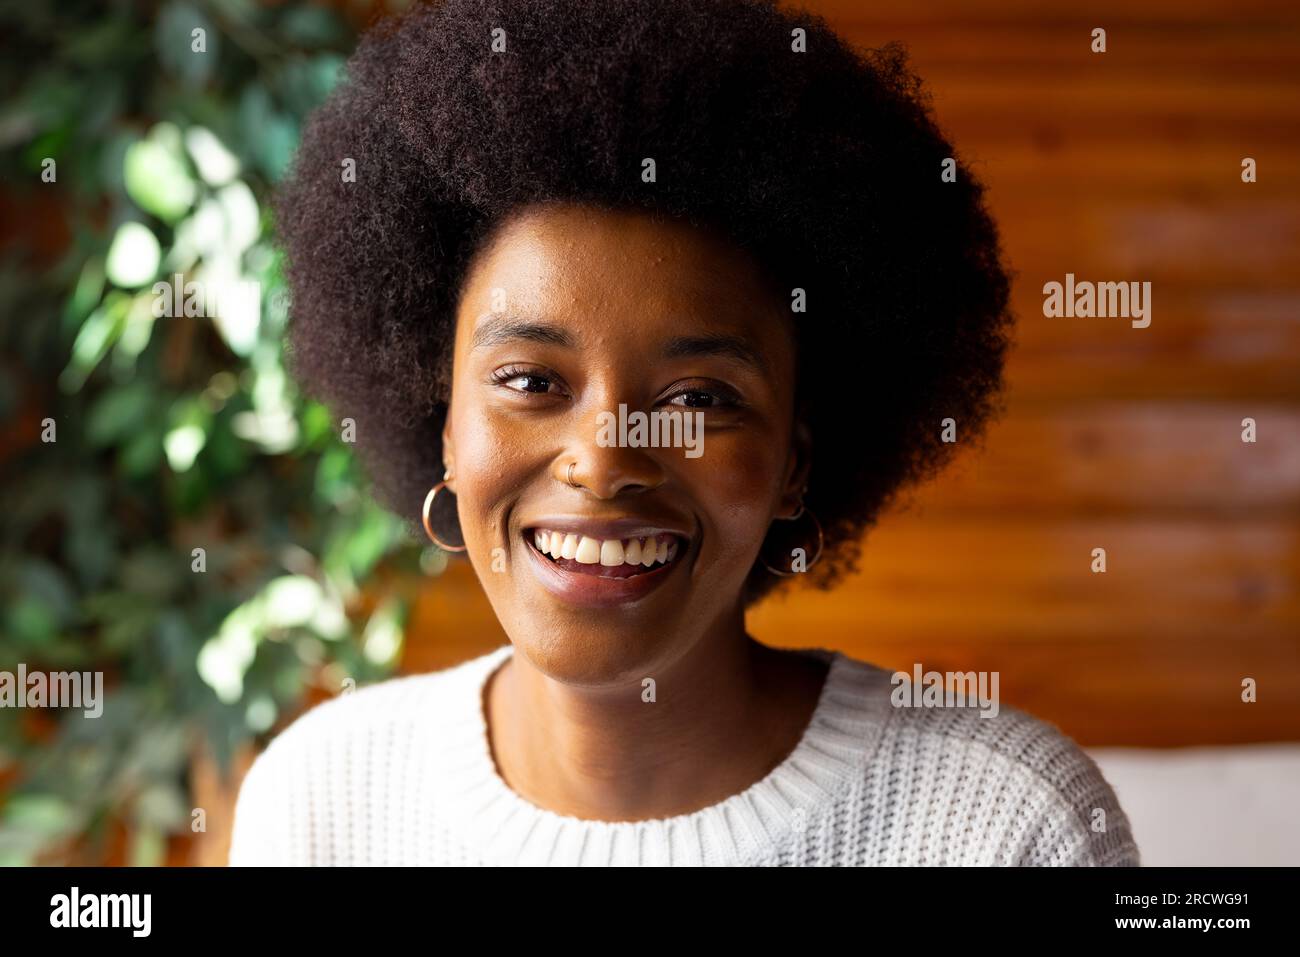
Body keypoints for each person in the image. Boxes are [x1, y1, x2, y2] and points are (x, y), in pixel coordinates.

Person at [228, 0, 1139, 866]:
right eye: (531, 381)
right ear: (445, 433)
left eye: (700, 396)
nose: (602, 459)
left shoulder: (1002, 824)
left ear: (795, 462)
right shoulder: (323, 798)